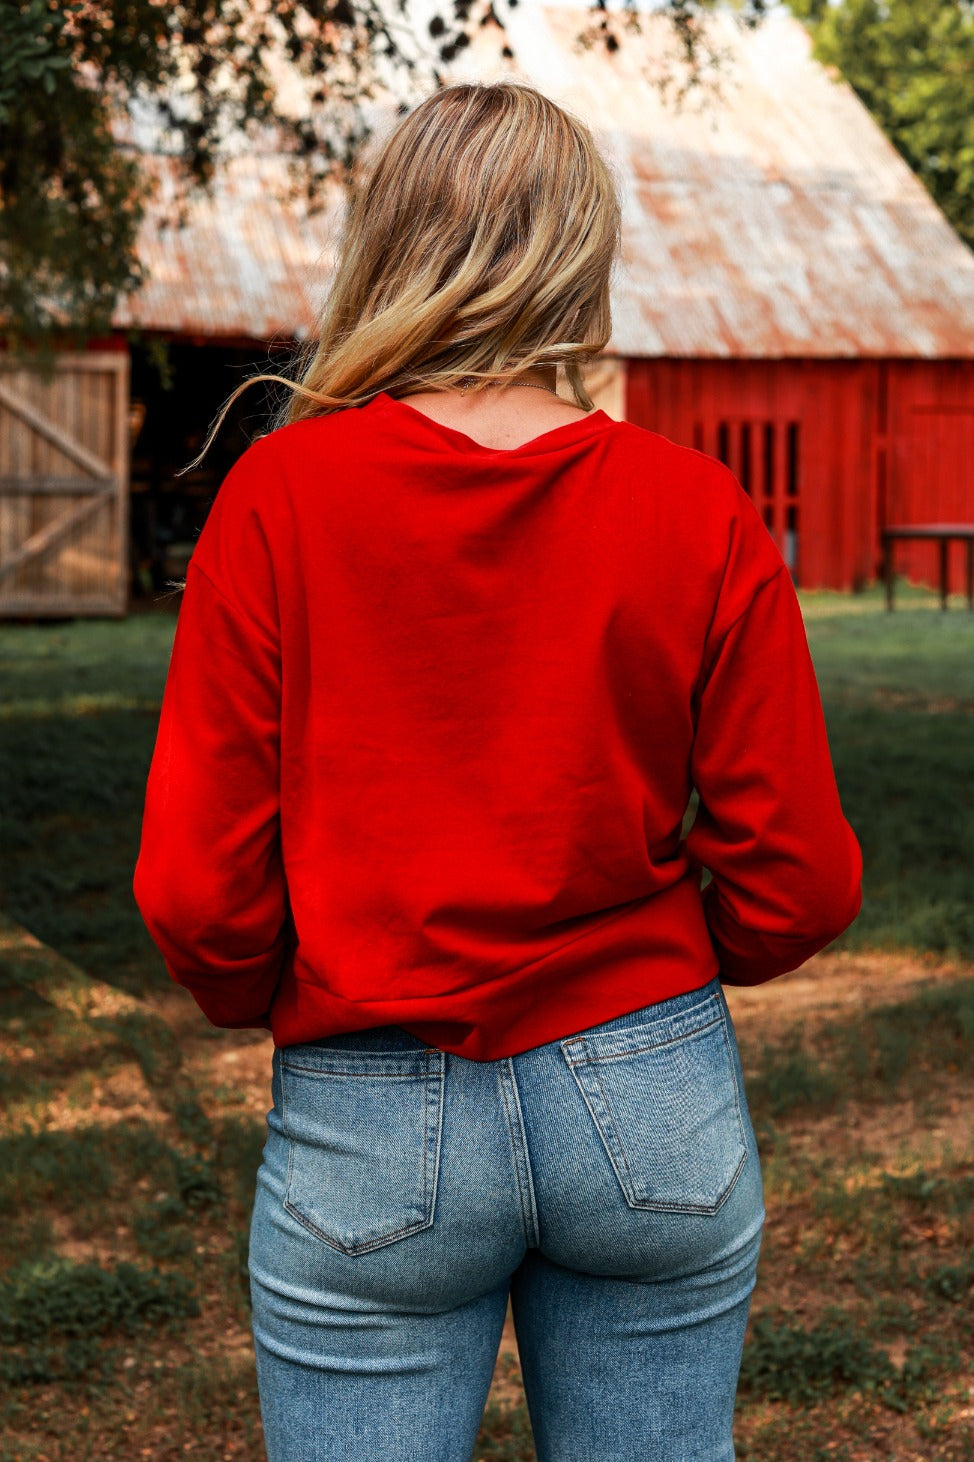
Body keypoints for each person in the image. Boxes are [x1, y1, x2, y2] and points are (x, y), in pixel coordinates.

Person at [133, 79, 862, 1462]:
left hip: (370, 1090)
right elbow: (802, 876)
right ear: (578, 255)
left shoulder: (280, 498)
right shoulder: (694, 503)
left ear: (390, 245)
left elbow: (193, 887)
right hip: (650, 1094)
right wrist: (659, 974)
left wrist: (260, 987)